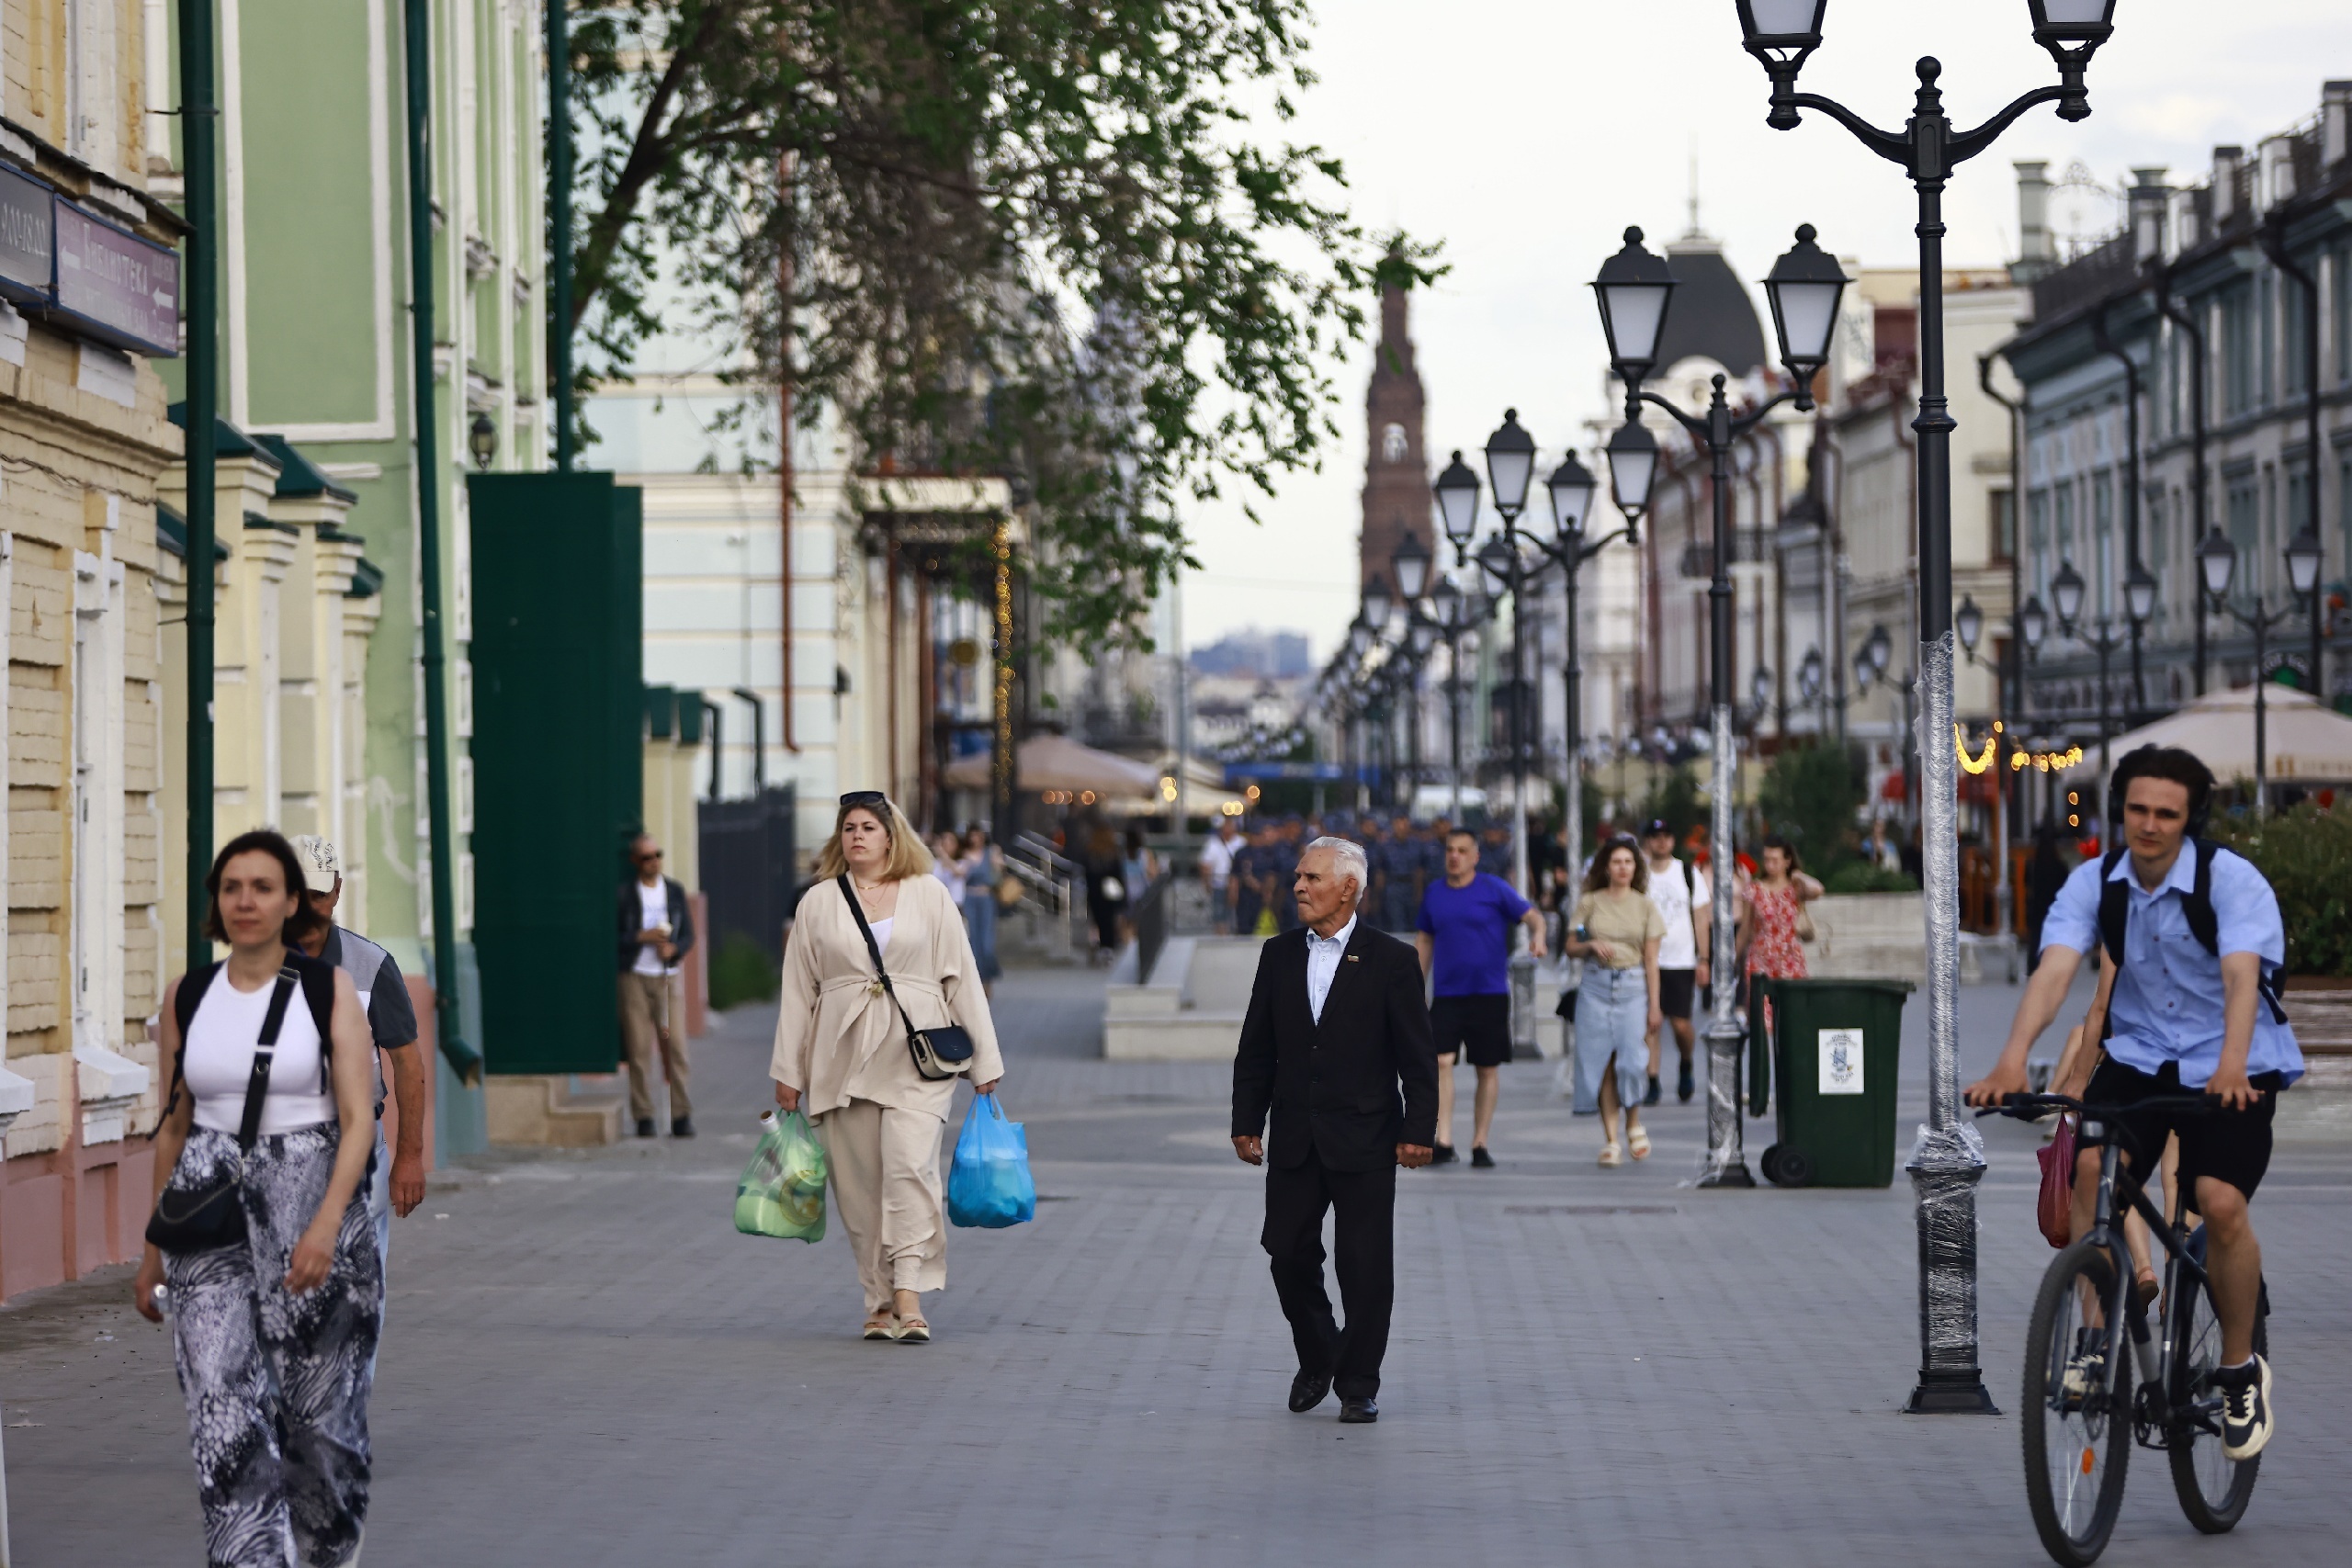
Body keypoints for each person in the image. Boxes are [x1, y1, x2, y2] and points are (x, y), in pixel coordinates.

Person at [1969, 746, 2301, 1461]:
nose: (2149, 825)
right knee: (2091, 1170)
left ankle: (2240, 1370)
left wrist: (2236, 1064)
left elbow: (2244, 979)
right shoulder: (2099, 883)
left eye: (2166, 813)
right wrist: (2009, 1056)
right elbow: (2055, 970)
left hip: (2230, 1064)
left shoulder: (2232, 883)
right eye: (2137, 810)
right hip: (2140, 1056)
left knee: (2218, 1203)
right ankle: (2095, 1340)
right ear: (2120, 811)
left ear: (2191, 818)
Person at [132, 829, 382, 1568]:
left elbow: (361, 1119)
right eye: (232, 886)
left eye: (263, 886)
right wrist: (151, 1253)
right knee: (222, 1412)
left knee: (320, 1424)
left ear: (289, 902)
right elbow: (174, 1124)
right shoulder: (191, 993)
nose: (246, 900)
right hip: (208, 1212)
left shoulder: (326, 990)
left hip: (310, 1196)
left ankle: (323, 1552)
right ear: (217, 900)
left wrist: (327, 1224)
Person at [772, 792, 1004, 1342]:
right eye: (849, 827)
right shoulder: (819, 902)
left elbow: (962, 977)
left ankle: (907, 1289)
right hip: (840, 1056)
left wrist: (985, 1062)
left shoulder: (930, 895)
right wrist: (788, 1071)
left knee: (910, 1170)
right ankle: (877, 1299)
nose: (858, 836)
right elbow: (797, 993)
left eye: (869, 827)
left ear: (890, 836)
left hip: (916, 1054)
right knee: (859, 1188)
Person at [1231, 837, 1437, 1425]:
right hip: (1297, 1134)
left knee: (1365, 1265)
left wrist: (1418, 1129)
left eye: (1311, 878)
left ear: (1348, 888)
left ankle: (1358, 1381)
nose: (1298, 886)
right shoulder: (1276, 955)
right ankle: (1320, 1351)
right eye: (1298, 876)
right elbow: (1257, 1049)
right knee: (1285, 1252)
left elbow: (1417, 1058)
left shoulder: (1393, 962)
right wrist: (1247, 1121)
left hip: (1368, 1137)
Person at [288, 836, 423, 1335]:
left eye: (318, 897)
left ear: (338, 891)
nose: (309, 910)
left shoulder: (372, 966)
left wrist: (409, 1156)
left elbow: (407, 1063)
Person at [1415, 826, 1548, 1167]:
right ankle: (1443, 1139)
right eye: (1449, 850)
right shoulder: (1434, 893)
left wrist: (1539, 936)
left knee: (1486, 1068)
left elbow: (1532, 916)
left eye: (1461, 850)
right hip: (1447, 994)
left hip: (1488, 993)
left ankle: (1479, 1142)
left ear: (1475, 856)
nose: (1454, 856)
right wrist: (1415, 983)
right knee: (1441, 1061)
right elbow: (1425, 940)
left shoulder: (1493, 888)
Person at [1566, 837, 1665, 1167]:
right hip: (1595, 985)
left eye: (1629, 862)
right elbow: (1571, 944)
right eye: (1617, 862)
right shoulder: (1590, 903)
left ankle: (1633, 1122)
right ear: (1606, 868)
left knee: (1633, 1060)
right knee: (1602, 1062)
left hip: (1633, 984)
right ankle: (1611, 1140)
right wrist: (1590, 944)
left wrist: (1654, 1005)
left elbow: (1651, 960)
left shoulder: (1645, 905)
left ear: (1636, 868)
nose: (1623, 868)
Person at [617, 832, 698, 1137]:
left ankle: (681, 1115)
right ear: (635, 862)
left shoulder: (674, 891)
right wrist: (642, 937)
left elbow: (688, 935)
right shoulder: (626, 894)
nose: (653, 862)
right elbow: (613, 937)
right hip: (634, 977)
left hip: (667, 977)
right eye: (646, 857)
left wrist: (673, 948)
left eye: (657, 855)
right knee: (638, 1049)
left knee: (676, 1046)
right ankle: (644, 1116)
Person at [1638, 818, 1710, 1106]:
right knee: (1650, 1024)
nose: (1661, 842)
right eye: (1656, 837)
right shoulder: (1640, 876)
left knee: (1681, 1025)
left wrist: (1704, 958)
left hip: (1681, 959)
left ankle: (1686, 1061)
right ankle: (1652, 1080)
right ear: (1648, 841)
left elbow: (1702, 918)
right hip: (1648, 959)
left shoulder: (1688, 873)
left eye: (1666, 836)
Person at [1736, 836, 1821, 991]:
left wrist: (1799, 875)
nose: (1770, 865)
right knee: (1763, 1012)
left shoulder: (1794, 889)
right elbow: (1745, 928)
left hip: (1789, 957)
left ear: (1786, 862)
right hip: (1761, 958)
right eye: (1767, 860)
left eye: (1775, 860)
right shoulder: (1754, 890)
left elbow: (1818, 890)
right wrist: (1734, 958)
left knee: (1791, 1010)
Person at [959, 825, 1003, 995]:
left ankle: (988, 979)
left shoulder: (989, 853)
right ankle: (975, 982)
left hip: (986, 899)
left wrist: (997, 861)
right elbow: (959, 875)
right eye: (972, 836)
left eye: (978, 836)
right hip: (970, 899)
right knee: (973, 941)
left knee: (986, 942)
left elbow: (999, 871)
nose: (975, 839)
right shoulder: (965, 855)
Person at [1200, 816, 1241, 934]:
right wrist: (1206, 882)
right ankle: (1221, 935)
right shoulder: (1213, 844)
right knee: (1219, 912)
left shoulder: (1241, 842)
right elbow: (1205, 864)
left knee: (1235, 912)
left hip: (1237, 884)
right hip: (1219, 884)